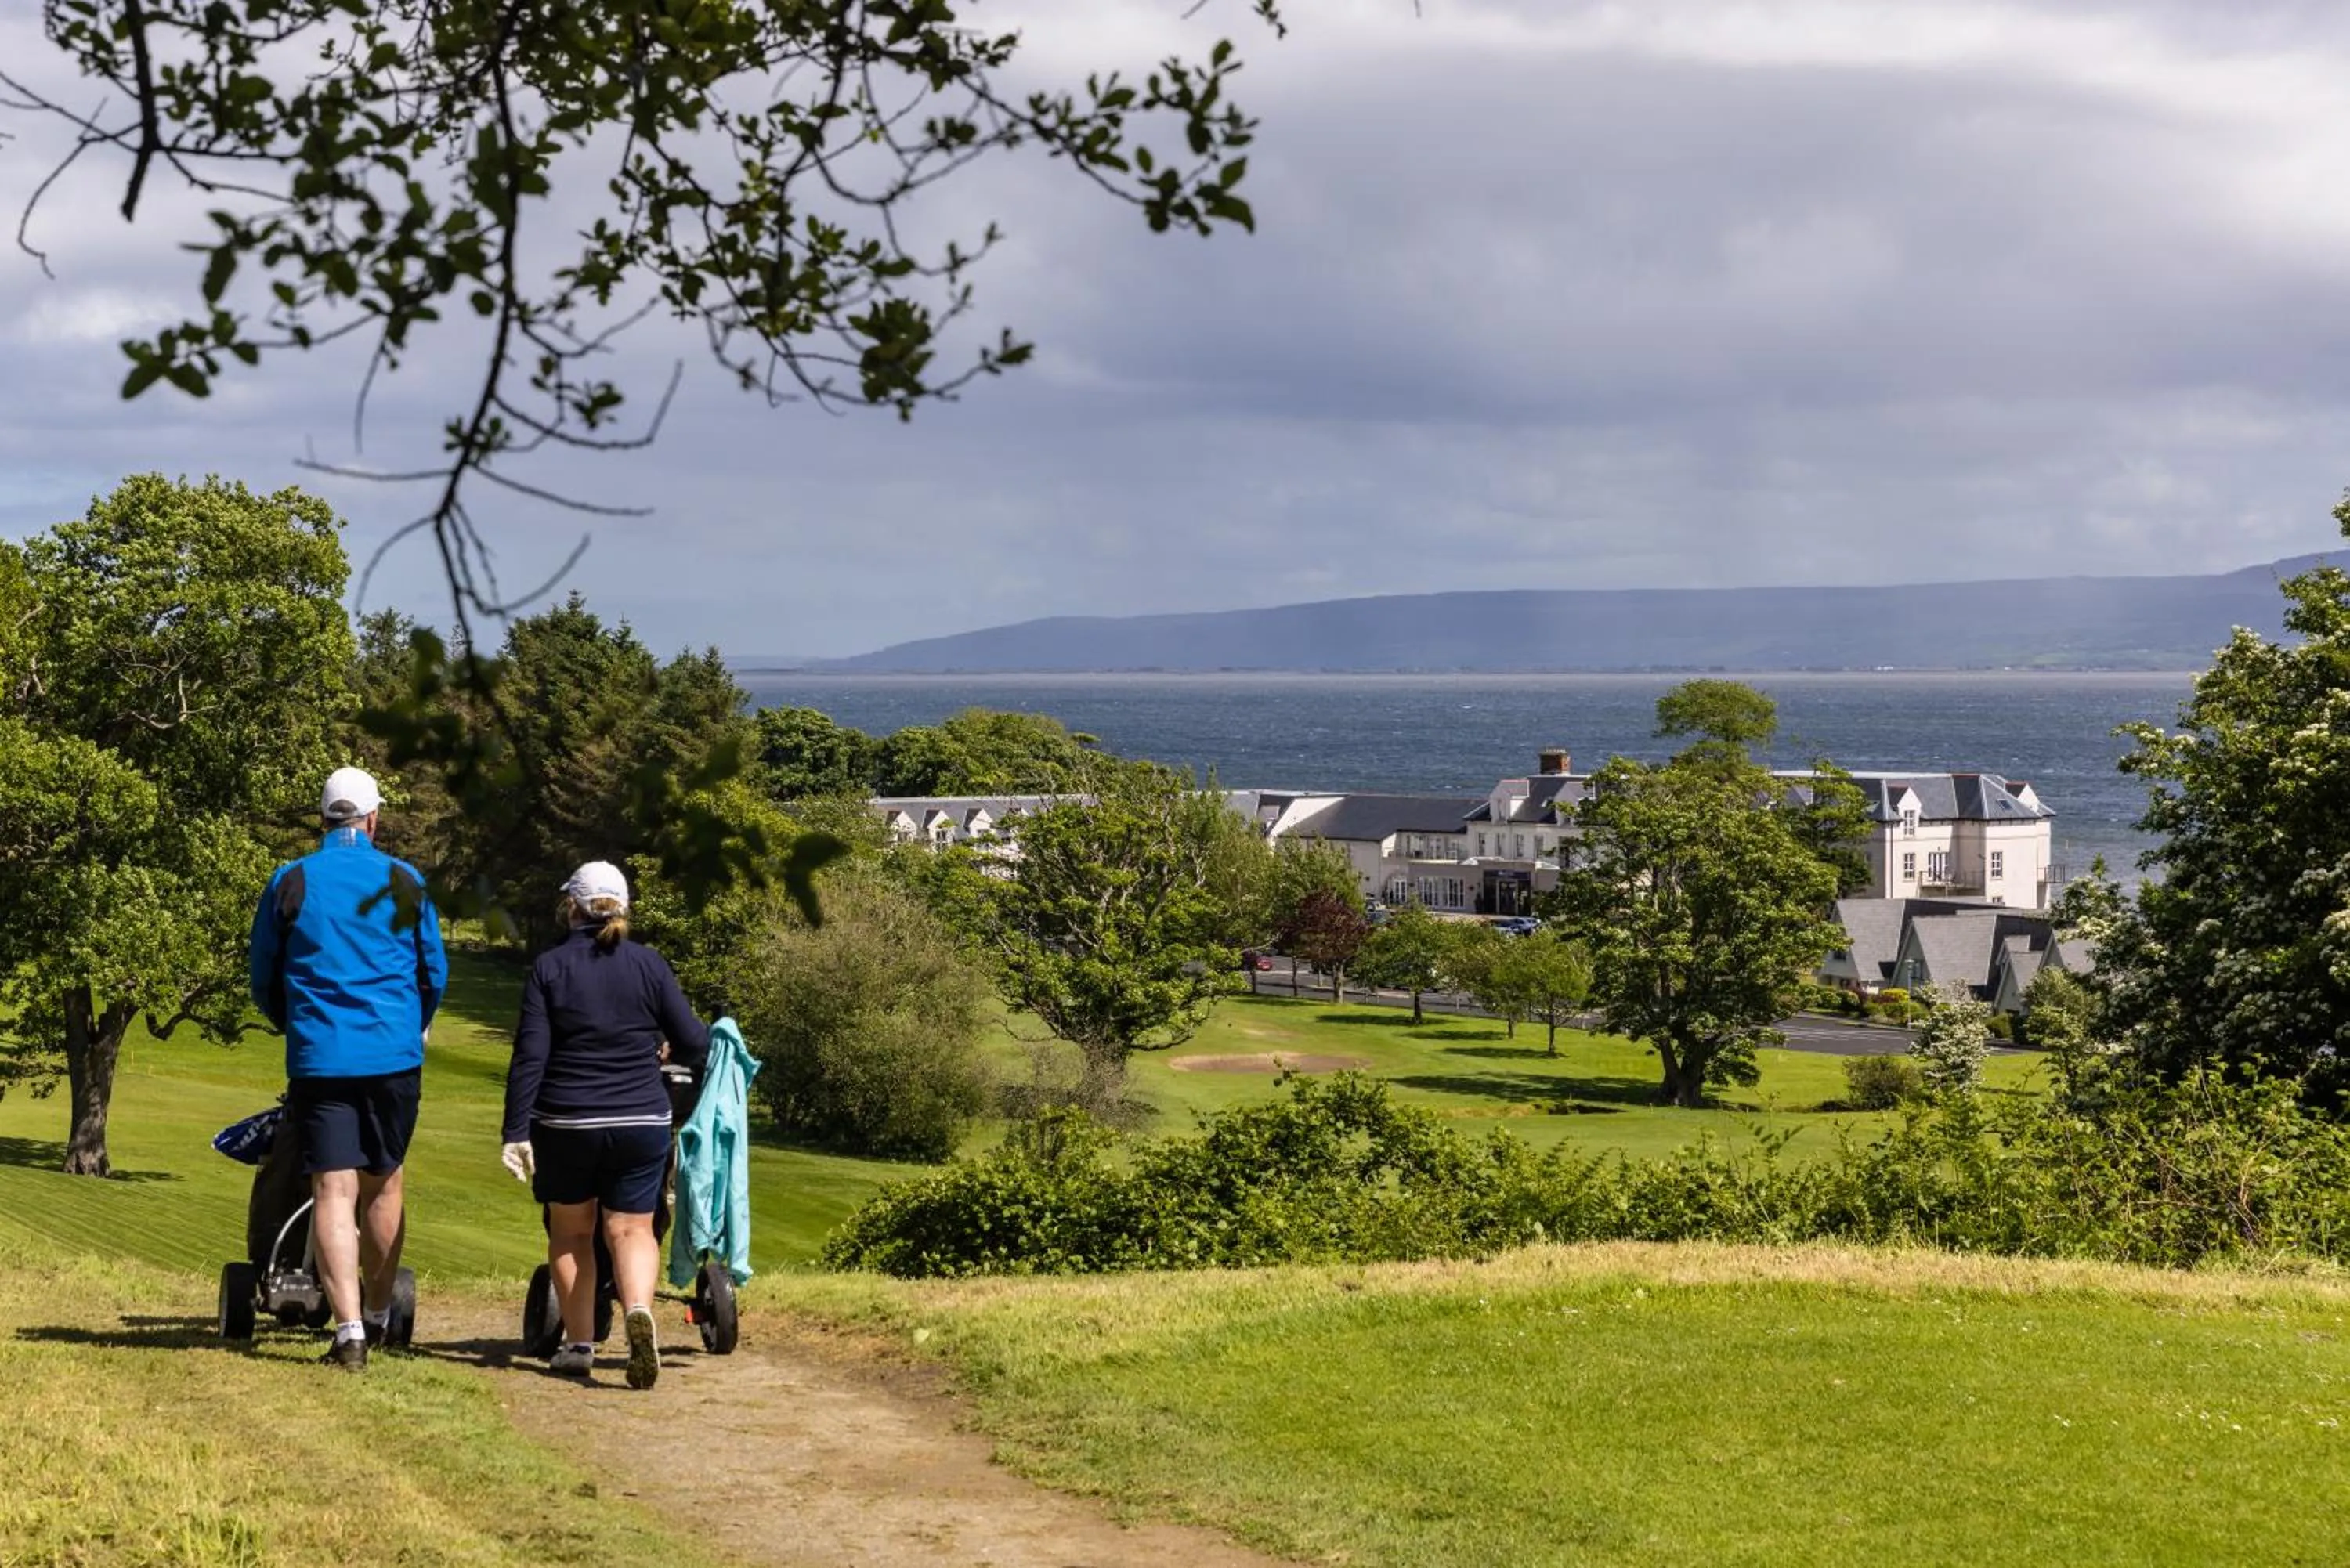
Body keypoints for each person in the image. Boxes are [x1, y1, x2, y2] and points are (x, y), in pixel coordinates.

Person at [249, 765, 447, 1371]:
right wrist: (411, 1025)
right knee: (383, 1183)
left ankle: (350, 1331)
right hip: (392, 1056)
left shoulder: (291, 880)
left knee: (332, 1189)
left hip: (322, 1054)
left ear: (324, 819)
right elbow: (433, 973)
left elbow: (264, 975)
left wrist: (295, 1021)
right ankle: (382, 1314)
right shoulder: (405, 879)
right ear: (373, 819)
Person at [500, 861, 708, 1389]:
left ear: (572, 906)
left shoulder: (549, 968)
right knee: (632, 1228)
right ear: (624, 910)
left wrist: (515, 1130)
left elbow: (530, 1056)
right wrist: (665, 1048)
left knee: (572, 1231)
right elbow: (694, 1040)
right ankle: (638, 1309)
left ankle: (579, 1344)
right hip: (641, 1116)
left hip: (567, 1119)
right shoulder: (649, 964)